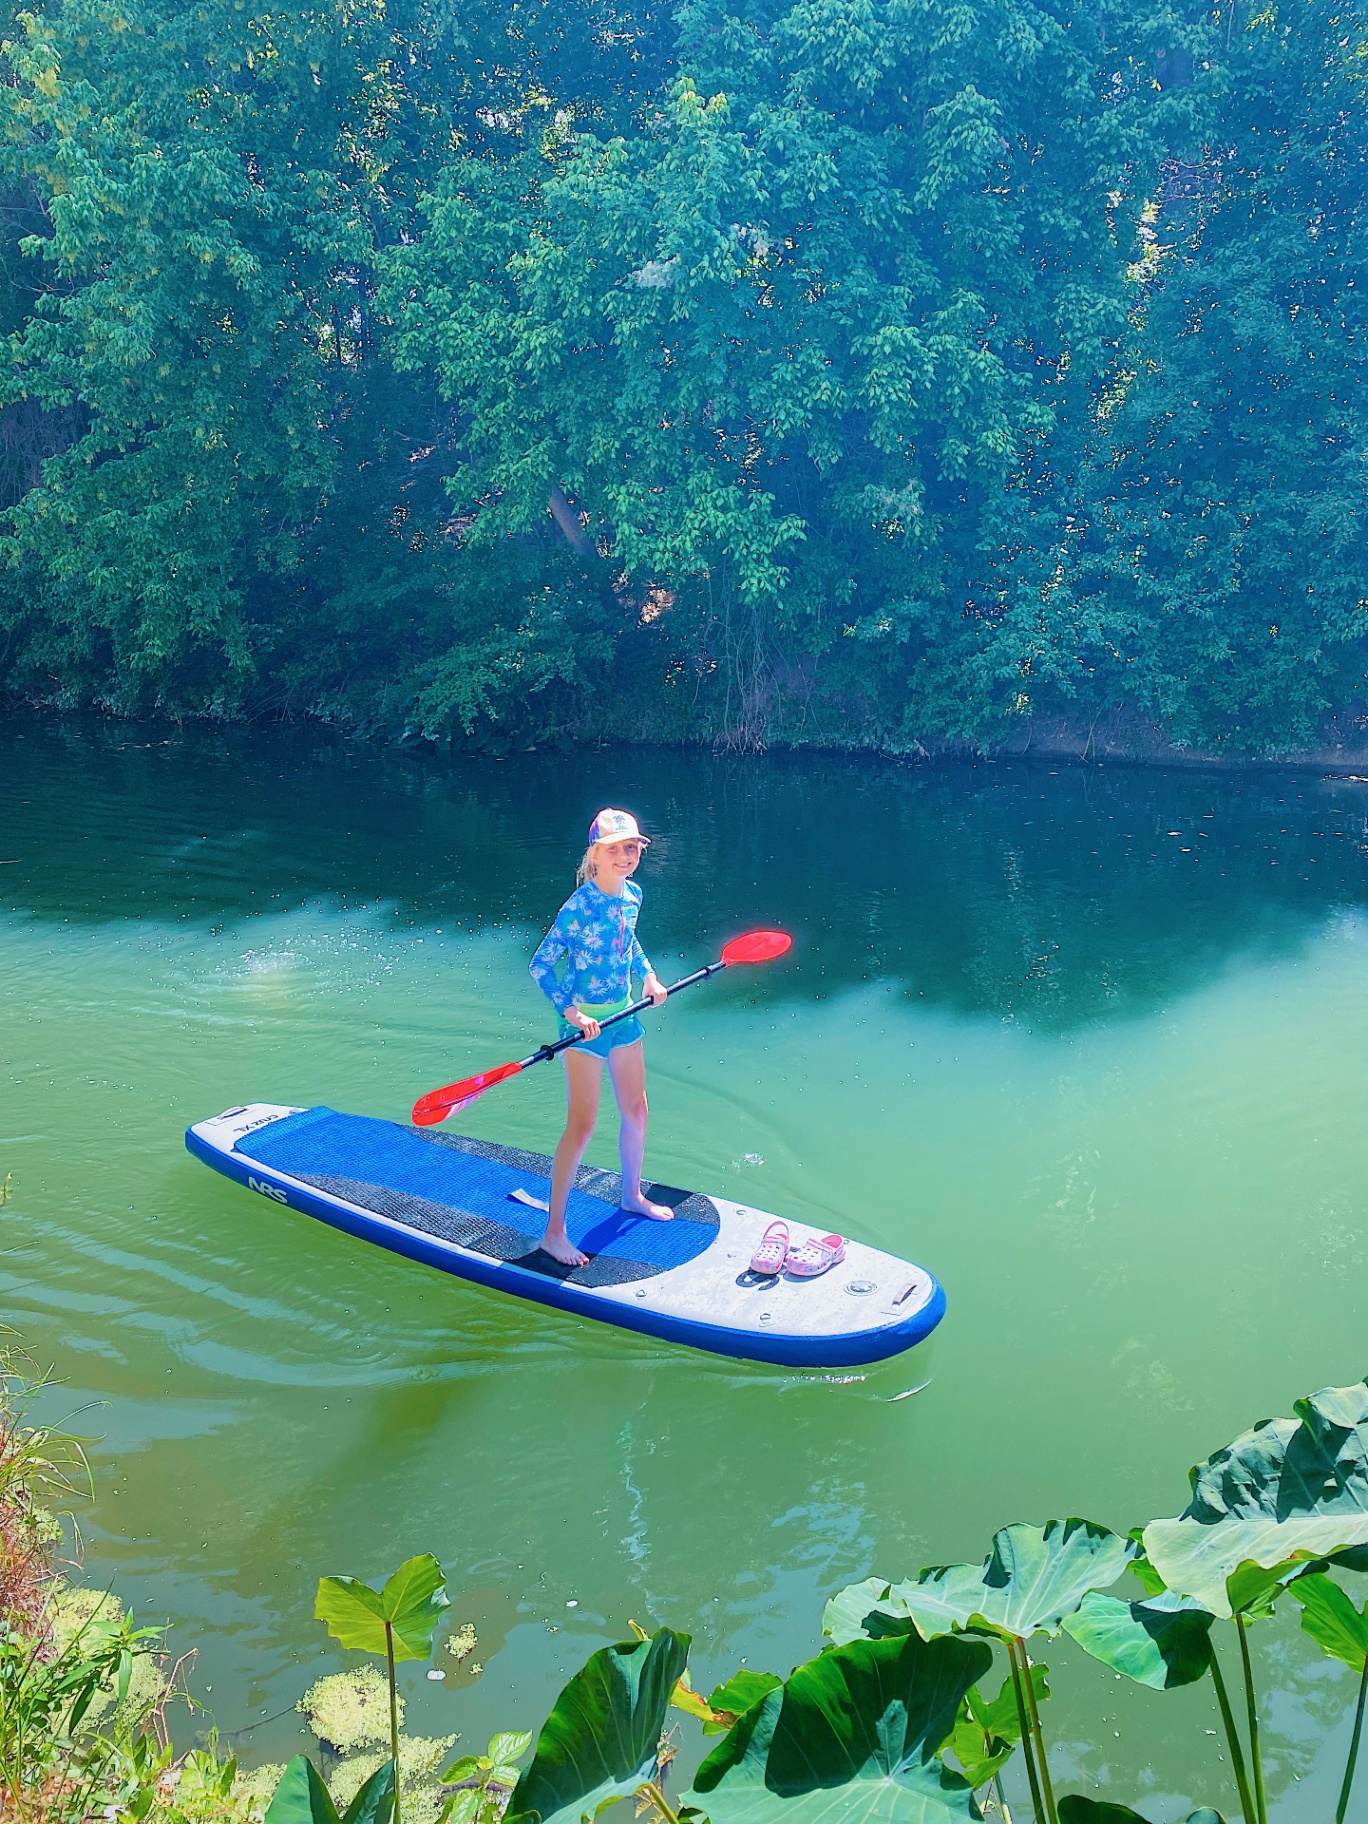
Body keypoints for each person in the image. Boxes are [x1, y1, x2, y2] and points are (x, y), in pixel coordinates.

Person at [528, 808, 672, 1266]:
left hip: (624, 1017)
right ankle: (554, 1233)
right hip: (584, 1026)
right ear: (596, 855)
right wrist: (570, 1013)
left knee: (637, 1109)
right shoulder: (577, 909)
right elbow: (540, 964)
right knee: (583, 1125)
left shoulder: (633, 896)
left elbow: (628, 944)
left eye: (632, 848)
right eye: (616, 849)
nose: (627, 856)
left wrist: (648, 977)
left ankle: (631, 1194)